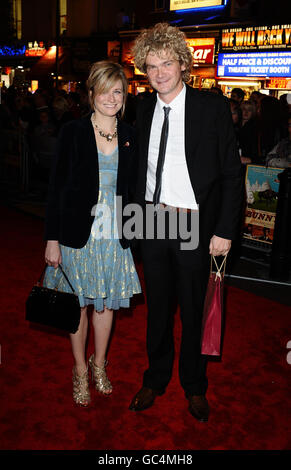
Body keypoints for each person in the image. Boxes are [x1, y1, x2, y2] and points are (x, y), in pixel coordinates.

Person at [129, 23, 243, 422]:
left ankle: (194, 385)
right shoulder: (142, 108)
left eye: (166, 63)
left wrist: (225, 229)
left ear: (182, 63)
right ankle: (155, 378)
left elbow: (232, 174)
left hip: (195, 222)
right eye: (151, 65)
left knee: (193, 311)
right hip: (152, 220)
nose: (159, 72)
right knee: (157, 310)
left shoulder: (210, 108)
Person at [43, 61, 141, 407]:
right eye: (105, 90)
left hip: (114, 233)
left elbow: (136, 189)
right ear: (91, 93)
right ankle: (80, 371)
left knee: (106, 303)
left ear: (125, 96)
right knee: (78, 305)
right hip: (76, 232)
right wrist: (51, 238)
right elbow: (56, 187)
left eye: (118, 91)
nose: (111, 98)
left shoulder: (130, 135)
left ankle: (99, 365)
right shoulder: (72, 131)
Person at [238, 100, 259, 164]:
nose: (246, 112)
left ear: (253, 112)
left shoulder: (255, 128)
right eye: (244, 109)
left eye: (249, 110)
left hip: (248, 161)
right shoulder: (235, 125)